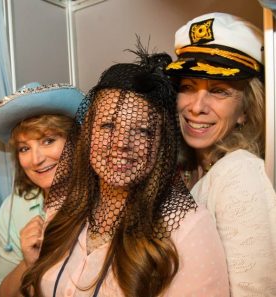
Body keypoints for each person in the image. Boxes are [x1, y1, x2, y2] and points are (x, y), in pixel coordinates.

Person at [20, 50, 230, 297]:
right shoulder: (61, 209)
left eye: (142, 131)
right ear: (87, 134)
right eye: (108, 126)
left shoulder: (187, 227)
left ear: (161, 145)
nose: (122, 143)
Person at [165, 12, 276, 296]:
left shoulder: (241, 173)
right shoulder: (191, 171)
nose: (196, 107)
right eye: (188, 87)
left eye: (218, 91)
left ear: (246, 110)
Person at [0, 82, 84, 297]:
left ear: (75, 141)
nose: (36, 159)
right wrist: (28, 263)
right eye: (24, 148)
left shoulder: (106, 201)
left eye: (48, 140)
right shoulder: (15, 208)